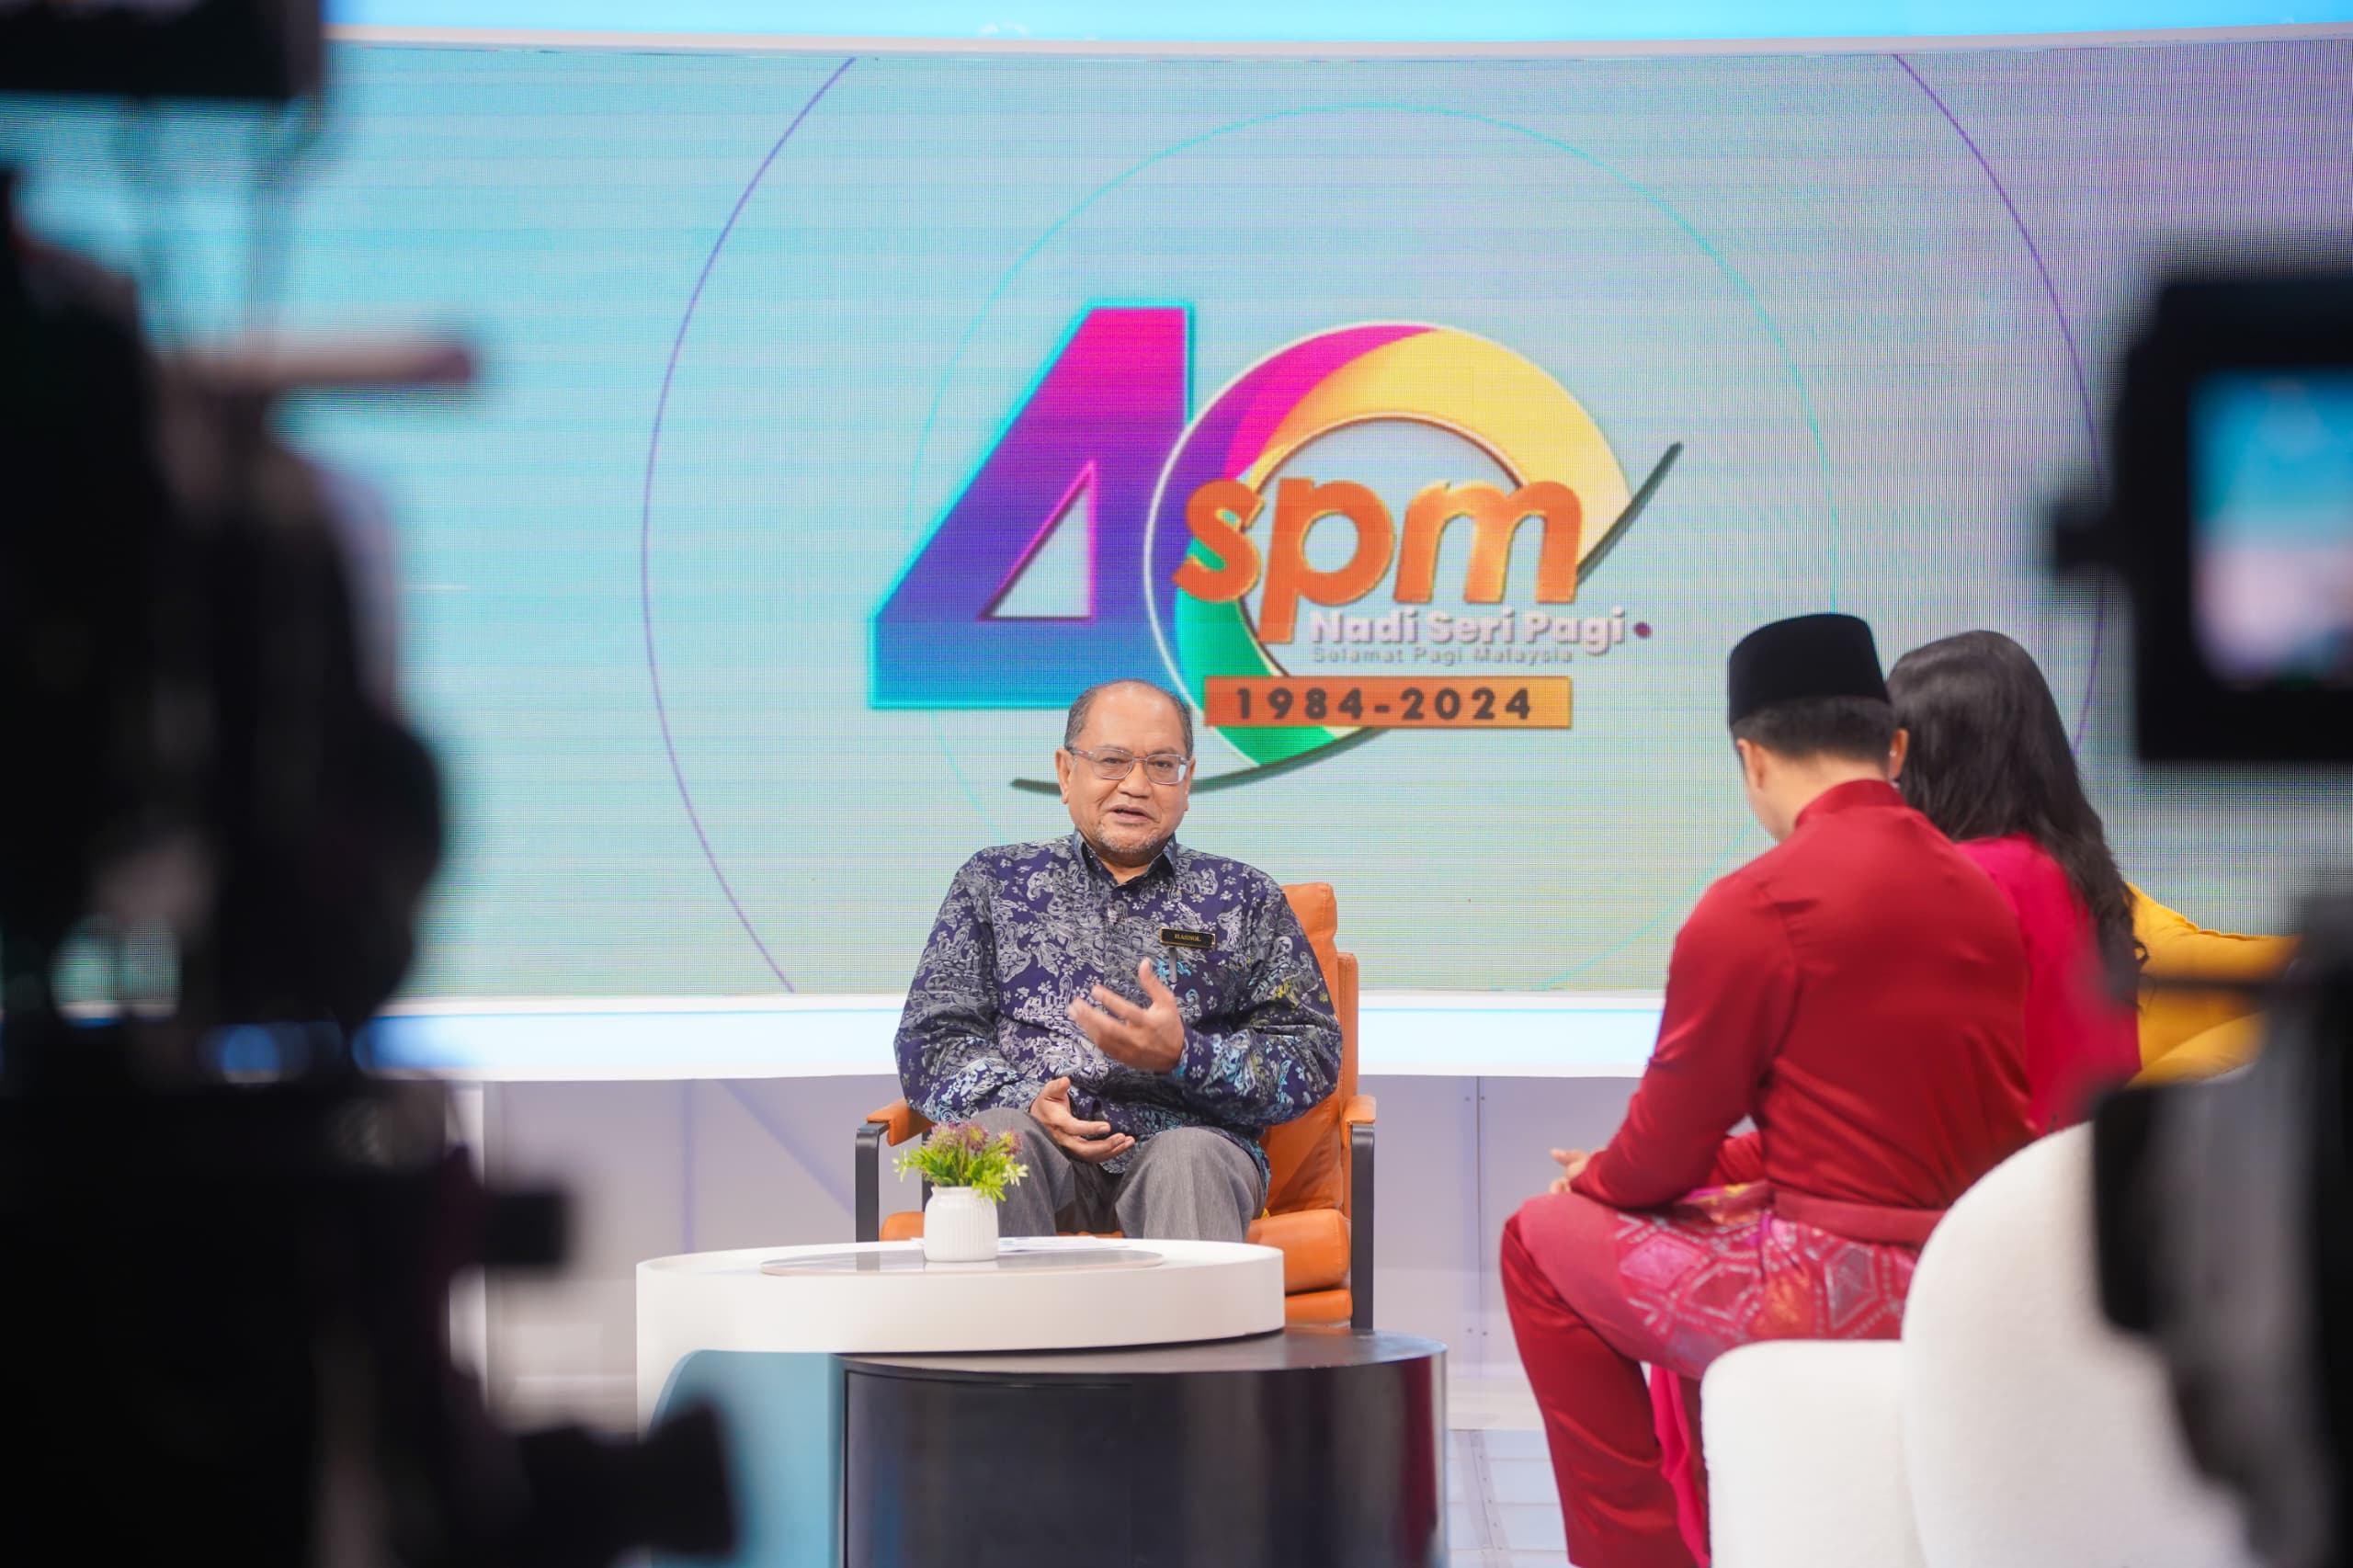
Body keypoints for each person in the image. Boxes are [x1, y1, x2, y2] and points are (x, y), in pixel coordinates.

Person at [1500, 613, 2037, 1568]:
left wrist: (1593, 1180)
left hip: (1831, 1284)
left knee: (1535, 1239)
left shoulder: (1758, 903)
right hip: (1961, 1270)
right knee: (1688, 1210)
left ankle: (1636, 1556)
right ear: (1894, 748)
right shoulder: (1979, 896)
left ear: (1750, 758)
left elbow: (1662, 1151)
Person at [892, 678, 1342, 1243]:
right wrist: (1026, 1101)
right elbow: (931, 1041)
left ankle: (1189, 1308)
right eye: (1112, 761)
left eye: (1162, 765)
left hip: (1188, 1146)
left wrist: (1186, 1055)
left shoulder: (1245, 898)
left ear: (1187, 782)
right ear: (1065, 772)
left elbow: (1310, 1055)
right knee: (1000, 1139)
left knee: (1189, 1161)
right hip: (1038, 1142)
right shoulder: (994, 883)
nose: (1136, 785)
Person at [1888, 630, 2142, 1131]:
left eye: (1898, 750)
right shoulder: (2070, 865)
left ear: (1934, 759)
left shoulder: (1968, 880)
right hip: (2081, 1156)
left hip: (2007, 1168)